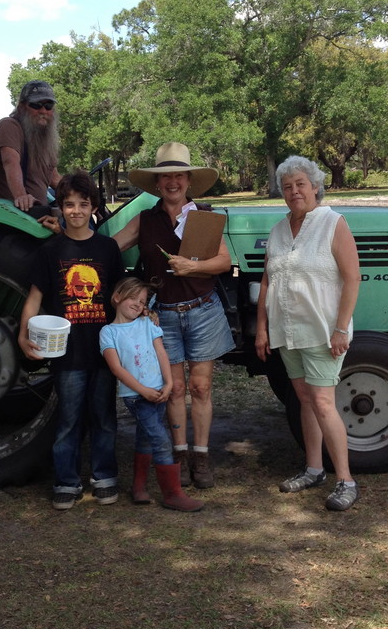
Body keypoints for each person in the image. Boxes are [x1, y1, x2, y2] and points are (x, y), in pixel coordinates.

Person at [113, 142, 234, 490]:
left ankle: (201, 456)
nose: (172, 182)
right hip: (161, 314)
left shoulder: (203, 216)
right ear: (157, 183)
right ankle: (179, 455)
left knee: (201, 386)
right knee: (175, 387)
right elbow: (110, 246)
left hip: (202, 310)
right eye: (165, 176)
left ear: (188, 180)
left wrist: (191, 266)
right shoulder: (145, 220)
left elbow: (223, 262)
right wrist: (70, 234)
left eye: (178, 175)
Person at [255, 155, 362, 511]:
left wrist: (341, 327)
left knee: (322, 403)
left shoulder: (333, 223)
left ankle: (345, 479)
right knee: (303, 400)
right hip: (287, 331)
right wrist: (262, 328)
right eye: (287, 187)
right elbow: (268, 280)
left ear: (315, 186)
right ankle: (314, 469)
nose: (294, 191)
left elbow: (352, 278)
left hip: (322, 331)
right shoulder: (279, 229)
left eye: (300, 184)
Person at [18, 170, 125, 511]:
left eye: (83, 204)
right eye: (69, 204)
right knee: (68, 419)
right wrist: (23, 334)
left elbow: (121, 296)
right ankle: (66, 481)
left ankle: (105, 476)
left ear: (93, 207)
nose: (76, 210)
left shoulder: (107, 248)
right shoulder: (51, 252)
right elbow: (34, 298)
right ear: (60, 208)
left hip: (104, 350)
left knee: (105, 416)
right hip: (67, 353)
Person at [100, 278, 204, 513]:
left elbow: (161, 353)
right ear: (116, 297)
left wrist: (168, 383)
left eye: (143, 301)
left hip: (159, 392)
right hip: (137, 397)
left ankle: (139, 488)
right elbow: (117, 368)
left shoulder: (147, 323)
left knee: (145, 438)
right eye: (132, 298)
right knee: (161, 440)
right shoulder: (108, 332)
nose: (138, 304)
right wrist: (142, 390)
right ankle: (173, 494)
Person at [0, 80, 61, 215]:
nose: (43, 110)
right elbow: (10, 162)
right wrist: (21, 195)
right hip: (15, 213)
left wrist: (83, 194)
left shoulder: (42, 139)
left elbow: (55, 179)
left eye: (48, 106)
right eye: (36, 105)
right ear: (21, 107)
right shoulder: (9, 126)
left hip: (39, 211)